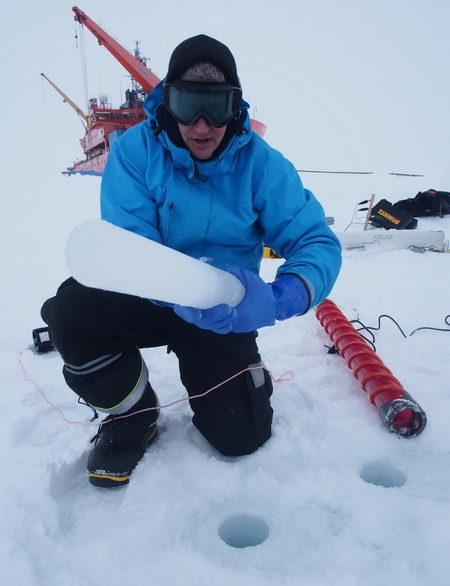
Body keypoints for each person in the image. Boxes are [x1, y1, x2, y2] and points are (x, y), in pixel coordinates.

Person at [41, 34, 342, 488]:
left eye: (216, 108)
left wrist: (283, 295)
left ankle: (242, 382)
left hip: (222, 310)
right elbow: (130, 247)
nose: (202, 126)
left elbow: (316, 241)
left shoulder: (263, 166)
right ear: (168, 102)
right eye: (187, 106)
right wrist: (173, 291)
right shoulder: (133, 153)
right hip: (149, 294)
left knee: (241, 438)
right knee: (72, 311)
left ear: (236, 106)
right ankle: (131, 412)